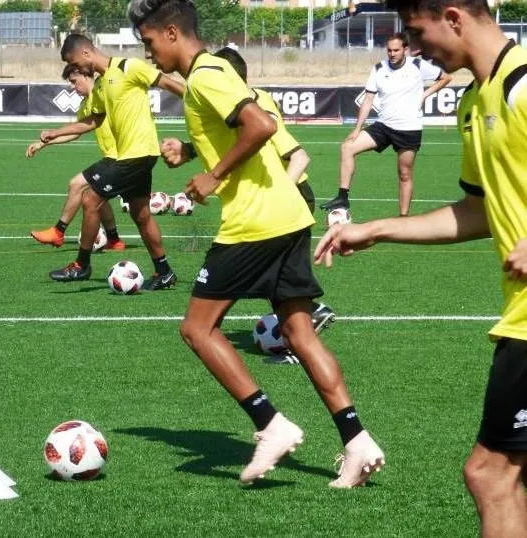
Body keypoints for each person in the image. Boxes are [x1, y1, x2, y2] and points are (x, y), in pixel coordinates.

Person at [129, 0, 384, 488]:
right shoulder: (213, 74)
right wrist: (192, 150)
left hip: (255, 222)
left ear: (171, 32)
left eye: (148, 44)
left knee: (197, 330)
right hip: (288, 214)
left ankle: (270, 424)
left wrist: (213, 174)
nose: (148, 55)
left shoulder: (206, 74)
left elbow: (261, 126)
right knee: (299, 334)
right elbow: (243, 129)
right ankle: (357, 442)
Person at [316, 0, 527, 533]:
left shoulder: (523, 85)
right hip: (519, 315)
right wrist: (378, 228)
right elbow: (478, 211)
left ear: (453, 17)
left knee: (490, 474)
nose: (413, 48)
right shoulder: (475, 102)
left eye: (417, 31)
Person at [160, 46, 337, 337]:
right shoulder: (236, 105)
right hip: (269, 200)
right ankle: (299, 327)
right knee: (282, 296)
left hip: (284, 197)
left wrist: (279, 195)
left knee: (199, 326)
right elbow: (235, 141)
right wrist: (189, 150)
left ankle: (308, 315)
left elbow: (298, 155)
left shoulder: (258, 106)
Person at [38, 33, 184, 289]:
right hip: (133, 155)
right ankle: (165, 272)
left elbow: (170, 85)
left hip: (137, 154)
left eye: (75, 62)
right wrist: (56, 133)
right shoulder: (102, 84)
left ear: (86, 53)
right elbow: (94, 120)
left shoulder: (129, 67)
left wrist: (202, 103)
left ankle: (81, 265)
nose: (76, 69)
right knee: (141, 216)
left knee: (90, 199)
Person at [320, 32, 452, 216]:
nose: (392, 54)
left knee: (404, 173)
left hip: (409, 128)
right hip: (383, 126)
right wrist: (357, 129)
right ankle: (343, 197)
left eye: (396, 50)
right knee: (347, 147)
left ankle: (403, 217)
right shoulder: (379, 68)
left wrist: (425, 94)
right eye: (389, 50)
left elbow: (445, 78)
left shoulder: (417, 65)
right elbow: (368, 100)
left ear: (405, 50)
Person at [28, 64, 126, 251]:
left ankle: (58, 232)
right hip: (113, 157)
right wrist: (44, 143)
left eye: (74, 81)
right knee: (96, 195)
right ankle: (114, 240)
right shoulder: (87, 104)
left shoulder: (105, 93)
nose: (73, 87)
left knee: (76, 185)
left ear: (86, 76)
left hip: (121, 157)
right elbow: (76, 132)